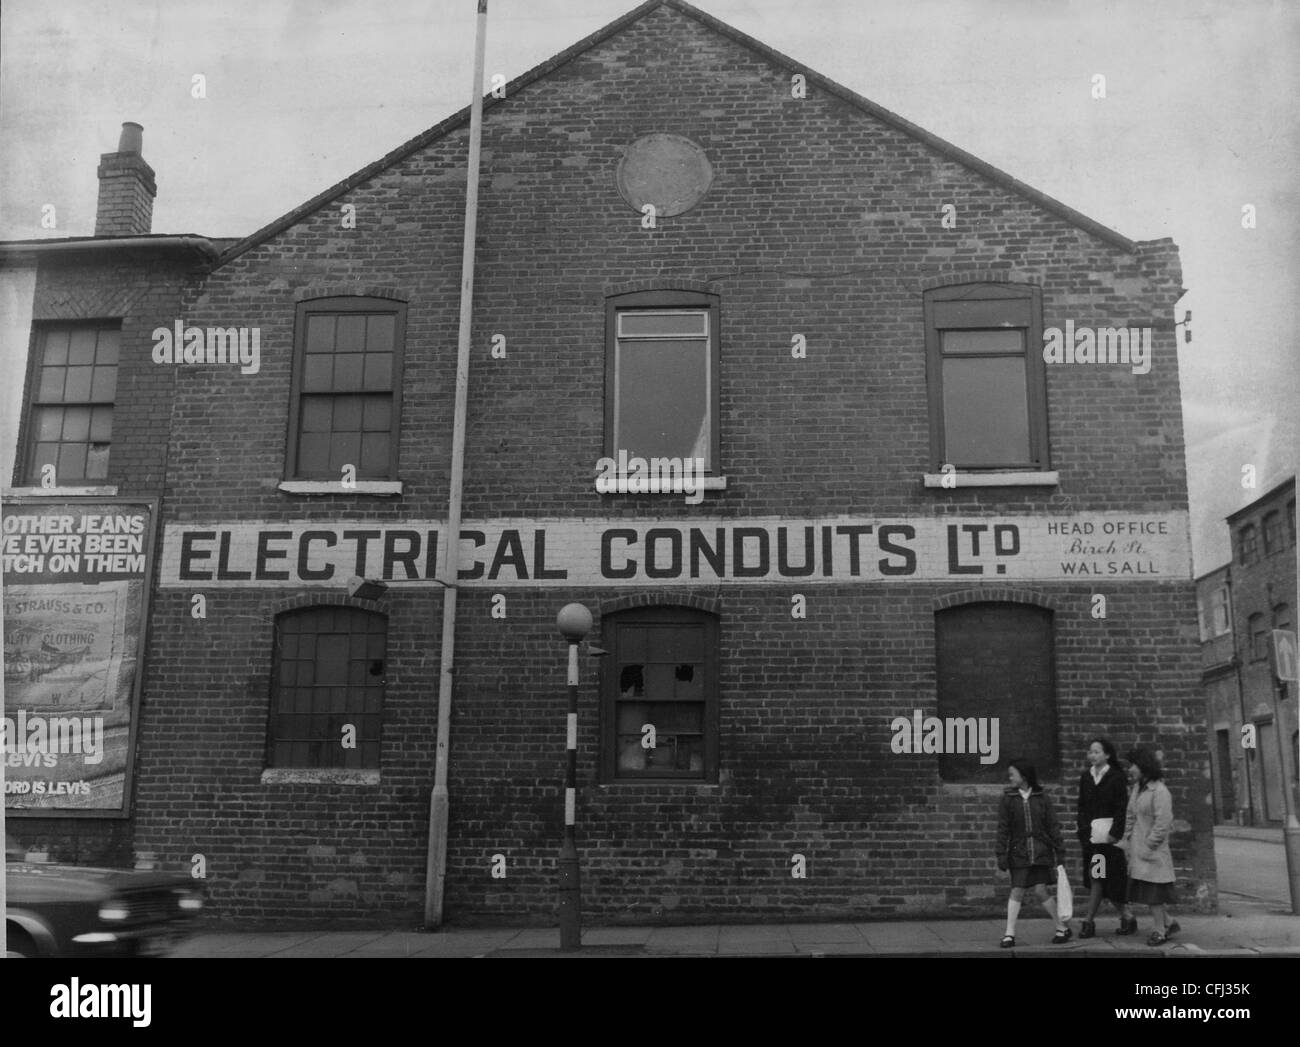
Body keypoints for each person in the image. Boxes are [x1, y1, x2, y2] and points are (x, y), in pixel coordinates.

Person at [995, 759, 1071, 947]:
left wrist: (1059, 849)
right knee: (1017, 889)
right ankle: (1009, 933)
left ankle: (1062, 927)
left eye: (1013, 774)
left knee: (1040, 890)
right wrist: (1001, 853)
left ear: (1024, 776)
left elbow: (1052, 825)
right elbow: (1003, 829)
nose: (1010, 777)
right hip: (1018, 851)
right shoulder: (1008, 799)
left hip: (1040, 850)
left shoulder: (1041, 797)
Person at [1075, 737, 1137, 936]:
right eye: (1090, 752)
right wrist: (1084, 831)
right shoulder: (1086, 777)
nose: (1092, 755)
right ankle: (1123, 917)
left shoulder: (1116, 777)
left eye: (1097, 752)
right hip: (1093, 839)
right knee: (1098, 877)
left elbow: (1122, 808)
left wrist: (1114, 834)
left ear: (1107, 754)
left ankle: (1092, 921)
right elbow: (1082, 806)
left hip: (1110, 839)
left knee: (1105, 879)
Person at [1123, 748, 1179, 946]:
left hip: (1153, 851)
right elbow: (1131, 814)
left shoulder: (1160, 791)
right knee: (1149, 892)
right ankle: (1169, 923)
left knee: (1154, 894)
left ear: (1143, 766)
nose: (1130, 769)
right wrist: (1126, 840)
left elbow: (1163, 823)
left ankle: (1159, 931)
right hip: (1139, 849)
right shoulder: (1139, 788)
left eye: (1133, 765)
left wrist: (1148, 846)